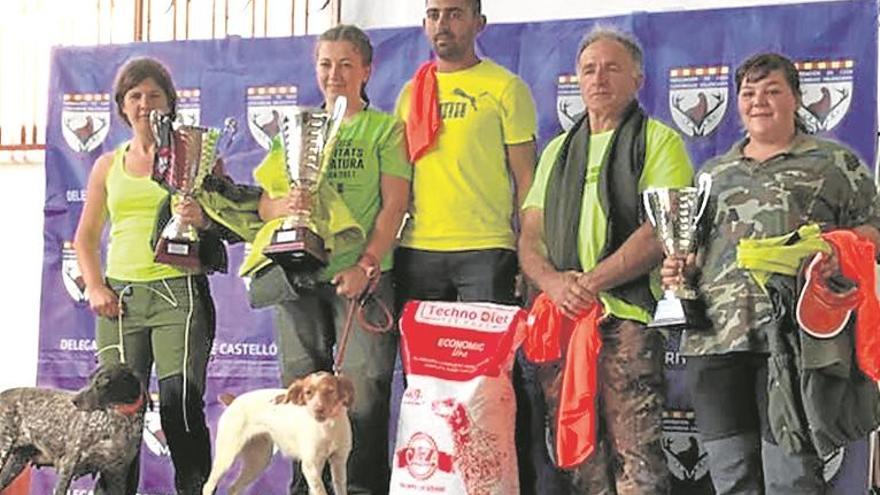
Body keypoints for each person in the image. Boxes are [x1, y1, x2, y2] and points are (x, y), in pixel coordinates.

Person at [661, 52, 880, 495]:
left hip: (790, 344)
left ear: (796, 99)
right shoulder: (712, 174)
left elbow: (874, 229)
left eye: (772, 91)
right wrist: (678, 267)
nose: (758, 101)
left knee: (791, 477)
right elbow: (697, 253)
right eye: (748, 93)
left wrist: (838, 251)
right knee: (731, 476)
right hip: (715, 341)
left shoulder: (834, 164)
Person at [519, 27, 694, 494]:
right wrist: (555, 284)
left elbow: (661, 229)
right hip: (562, 318)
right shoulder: (556, 151)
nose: (599, 78)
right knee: (579, 456)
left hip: (626, 319)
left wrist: (589, 282)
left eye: (612, 67)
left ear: (637, 77)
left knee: (636, 451)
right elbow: (530, 235)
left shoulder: (658, 141)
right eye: (589, 69)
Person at [253, 25, 411, 495]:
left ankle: (360, 488)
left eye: (346, 64)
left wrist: (366, 265)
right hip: (298, 278)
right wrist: (285, 207)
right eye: (326, 64)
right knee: (301, 393)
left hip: (362, 278)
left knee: (360, 393)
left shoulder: (385, 129)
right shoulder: (297, 129)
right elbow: (265, 202)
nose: (335, 74)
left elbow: (394, 205)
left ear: (367, 70)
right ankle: (306, 489)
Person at [393, 2, 542, 490]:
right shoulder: (411, 92)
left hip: (487, 251)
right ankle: (431, 481)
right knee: (423, 385)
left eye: (455, 13)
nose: (443, 24)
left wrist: (527, 252)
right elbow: (397, 183)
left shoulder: (505, 88)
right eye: (434, 13)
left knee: (494, 384)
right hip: (418, 253)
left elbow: (527, 182)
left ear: (479, 24)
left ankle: (501, 482)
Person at [73, 57, 220, 495]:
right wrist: (96, 286)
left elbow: (229, 220)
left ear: (170, 103)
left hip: (179, 295)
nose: (144, 103)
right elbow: (84, 238)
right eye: (134, 95)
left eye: (154, 94)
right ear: (122, 106)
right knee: (118, 414)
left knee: (180, 408)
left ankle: (194, 489)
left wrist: (205, 219)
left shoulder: (196, 156)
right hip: (120, 302)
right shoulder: (106, 165)